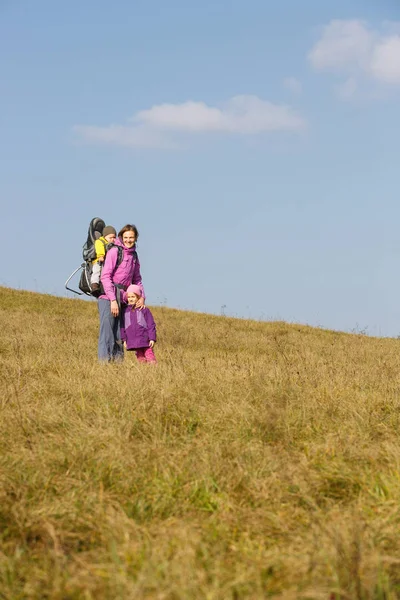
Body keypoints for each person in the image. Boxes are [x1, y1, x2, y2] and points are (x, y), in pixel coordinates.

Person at [98, 224, 145, 362]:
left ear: (135, 238)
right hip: (108, 297)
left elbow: (137, 279)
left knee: (120, 332)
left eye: (131, 237)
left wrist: (141, 297)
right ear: (121, 237)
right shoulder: (114, 252)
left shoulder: (134, 256)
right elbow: (105, 277)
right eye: (126, 237)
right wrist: (112, 300)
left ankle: (118, 366)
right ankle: (103, 365)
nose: (128, 240)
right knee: (107, 332)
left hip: (124, 298)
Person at [120, 284, 157, 364]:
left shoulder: (144, 310)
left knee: (150, 356)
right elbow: (122, 326)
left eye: (133, 297)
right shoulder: (125, 311)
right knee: (140, 358)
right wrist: (124, 340)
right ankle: (144, 372)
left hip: (145, 339)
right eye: (129, 297)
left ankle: (154, 370)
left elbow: (151, 325)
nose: (130, 299)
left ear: (138, 297)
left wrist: (152, 338)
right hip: (133, 340)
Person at [90, 225, 117, 293]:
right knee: (97, 270)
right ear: (105, 236)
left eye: (114, 237)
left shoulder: (114, 244)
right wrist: (101, 255)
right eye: (110, 237)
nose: (112, 239)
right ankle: (94, 284)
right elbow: (99, 248)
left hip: (108, 262)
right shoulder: (100, 241)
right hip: (99, 261)